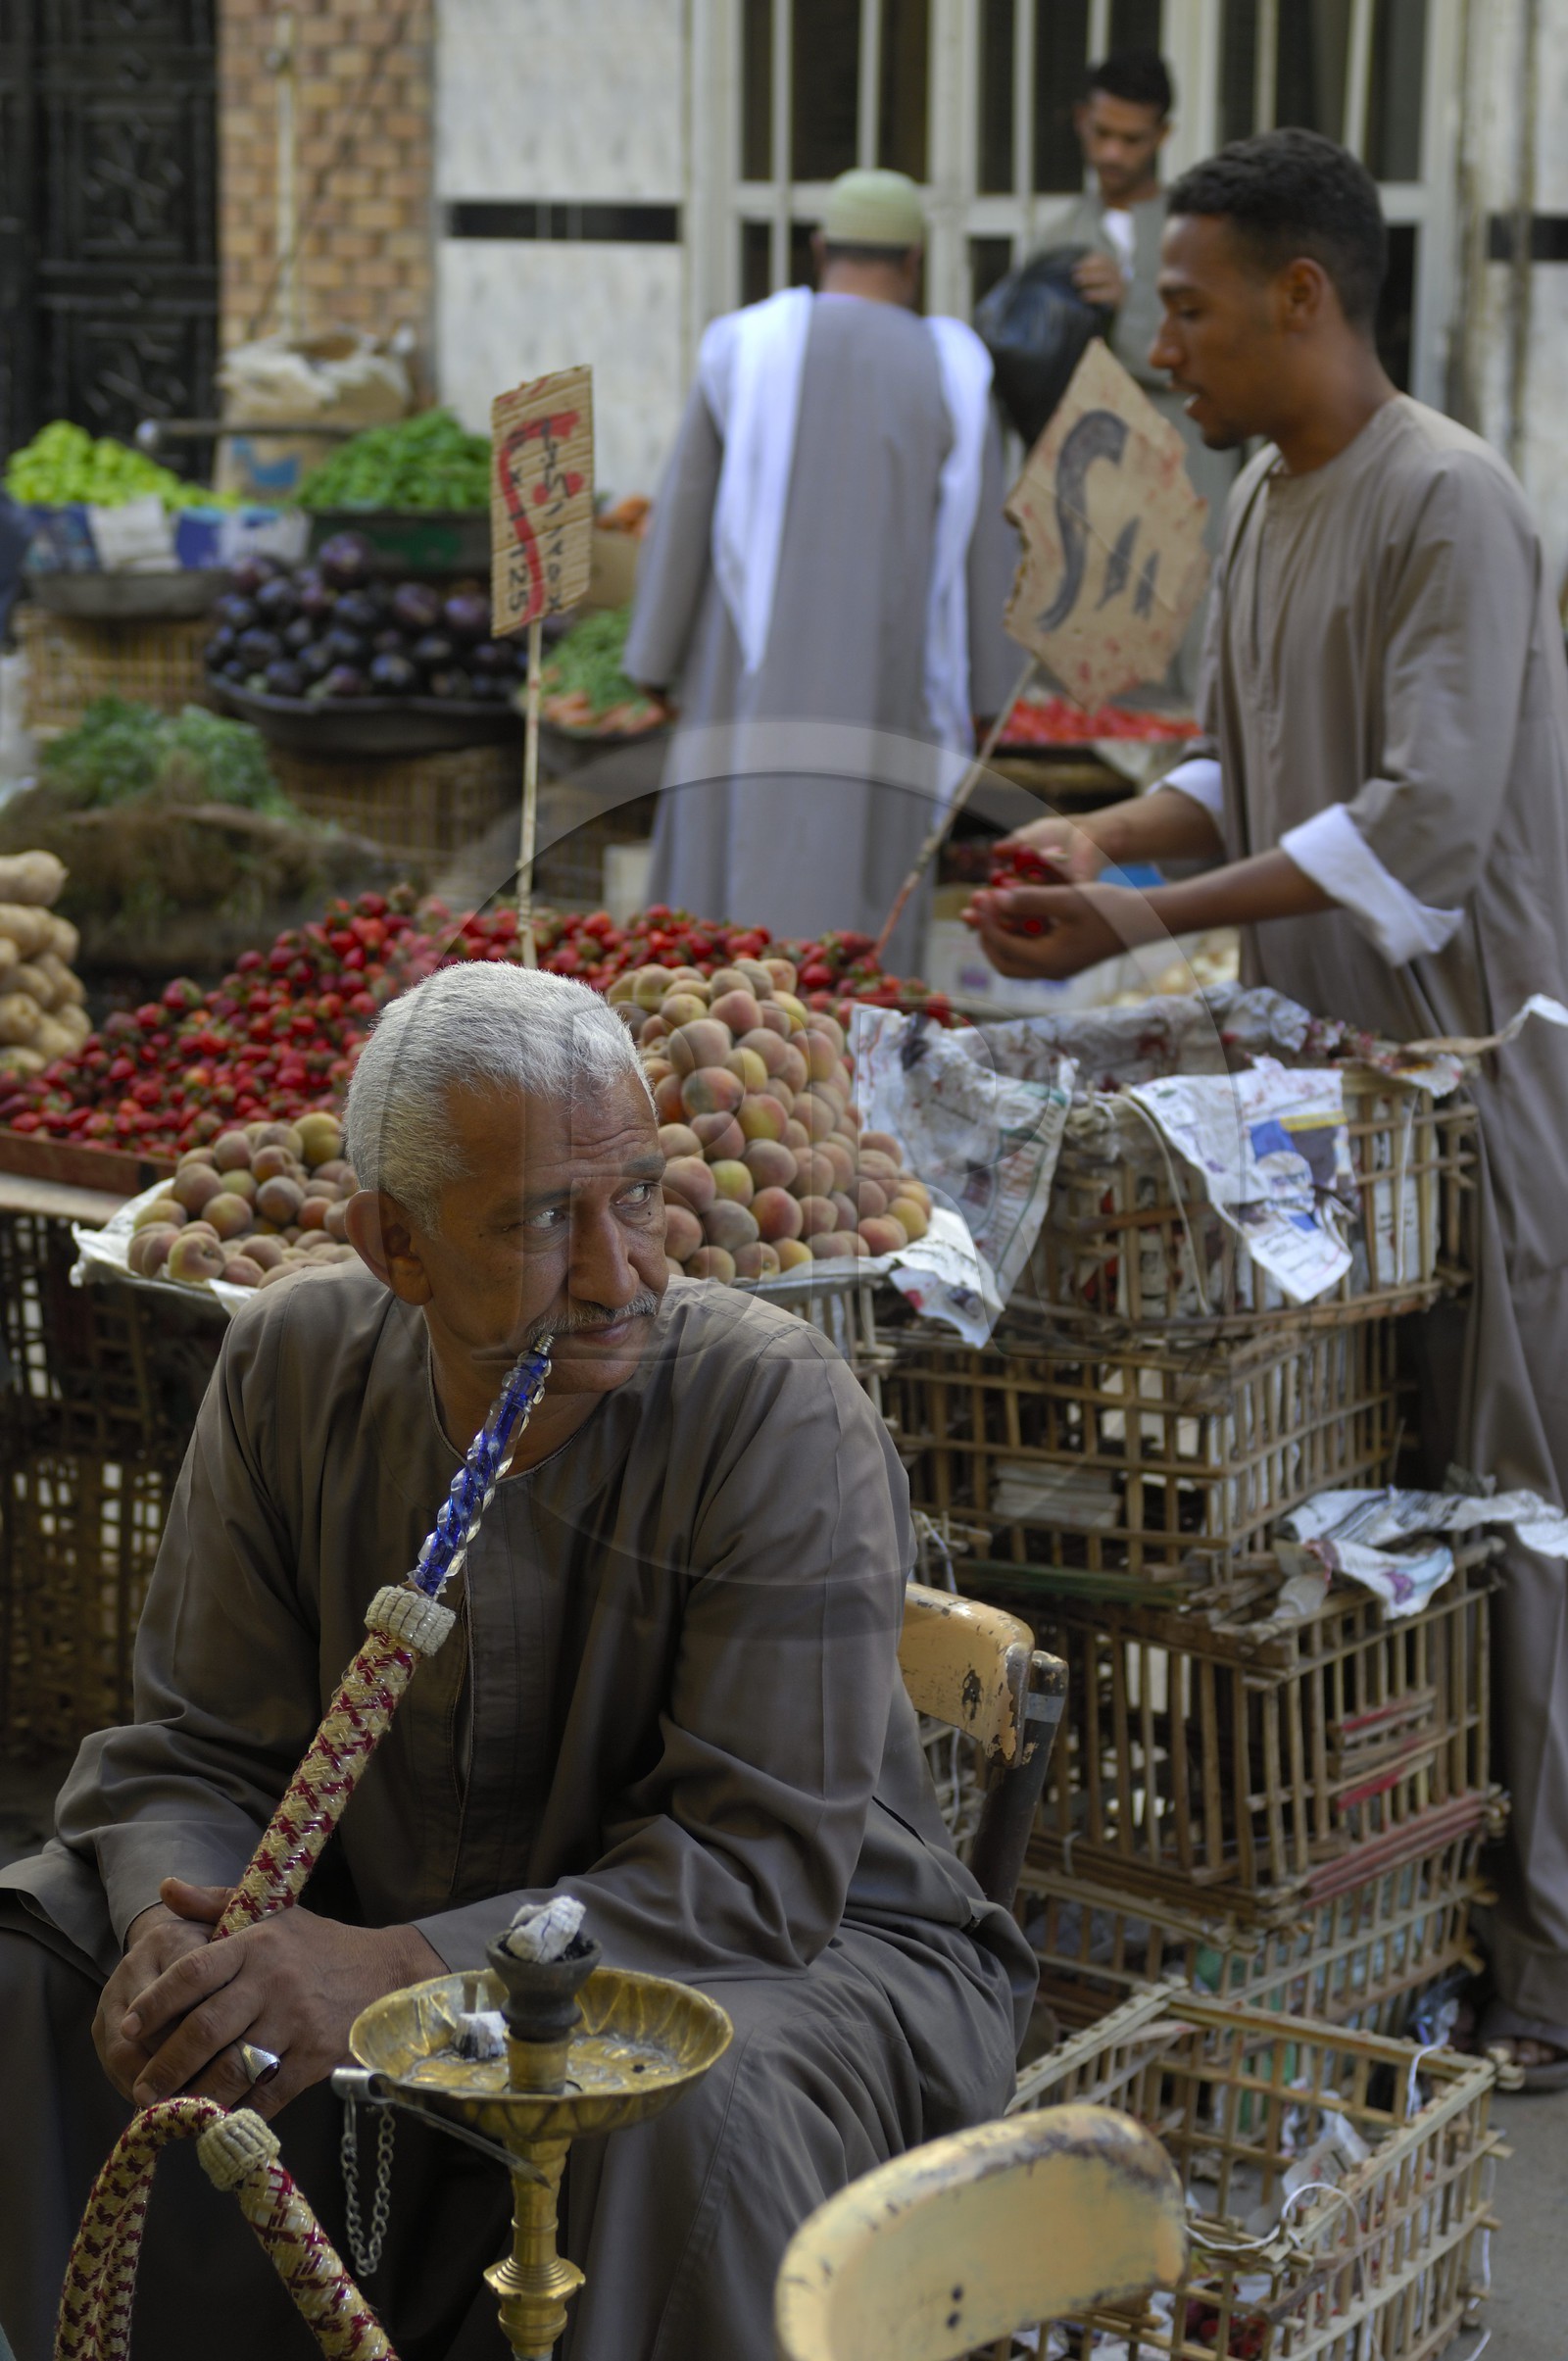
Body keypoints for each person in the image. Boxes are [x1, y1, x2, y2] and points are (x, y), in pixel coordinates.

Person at [0, 965, 1033, 2361]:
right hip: (374, 1907)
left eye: (640, 1197)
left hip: (797, 1953)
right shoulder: (292, 1365)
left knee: (678, 2100)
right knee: (34, 1955)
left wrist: (393, 1969)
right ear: (394, 1245)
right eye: (546, 1221)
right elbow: (193, 1751)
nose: (620, 1274)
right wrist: (180, 1935)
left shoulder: (775, 1411)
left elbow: (754, 1869)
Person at [965, 127, 1568, 2088]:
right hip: (1319, 1132)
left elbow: (1420, 825)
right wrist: (1097, 837)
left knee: (1499, 1520)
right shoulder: (1257, 502)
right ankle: (1375, 1899)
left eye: (1190, 301)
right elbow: (1234, 772)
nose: (1163, 337)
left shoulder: (1446, 502)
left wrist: (1143, 913)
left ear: (1304, 295)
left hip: (1478, 1101)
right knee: (1340, 1532)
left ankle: (1541, 1960)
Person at [625, 168, 1019, 972]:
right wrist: (992, 698)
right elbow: (986, 546)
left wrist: (654, 662)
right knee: (857, 893)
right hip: (886, 687)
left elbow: (685, 509)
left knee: (712, 927)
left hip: (744, 683)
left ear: (818, 249)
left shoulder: (742, 346)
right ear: (914, 260)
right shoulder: (952, 369)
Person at [1048, 49, 1242, 698]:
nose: (1112, 154)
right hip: (1091, 486)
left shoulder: (1206, 237)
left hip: (1186, 473)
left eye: (1131, 140)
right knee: (1095, 679)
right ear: (1080, 121)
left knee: (1191, 664)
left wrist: (1130, 300)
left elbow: (1224, 356)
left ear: (1162, 137)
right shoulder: (1051, 238)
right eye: (1101, 134)